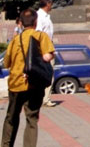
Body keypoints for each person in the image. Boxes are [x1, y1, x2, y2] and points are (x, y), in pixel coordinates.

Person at [1, 8, 55, 147]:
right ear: (36, 21)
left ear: (21, 23)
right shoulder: (41, 36)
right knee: (31, 119)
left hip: (16, 84)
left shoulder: (15, 40)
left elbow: (6, 63)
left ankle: (6, 145)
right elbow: (48, 55)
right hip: (34, 84)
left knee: (11, 118)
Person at [35, 0, 56, 107]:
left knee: (48, 73)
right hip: (44, 49)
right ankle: (44, 98)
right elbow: (38, 34)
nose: (51, 5)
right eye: (51, 3)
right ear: (47, 4)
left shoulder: (47, 16)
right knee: (46, 73)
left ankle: (46, 97)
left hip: (49, 47)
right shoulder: (40, 16)